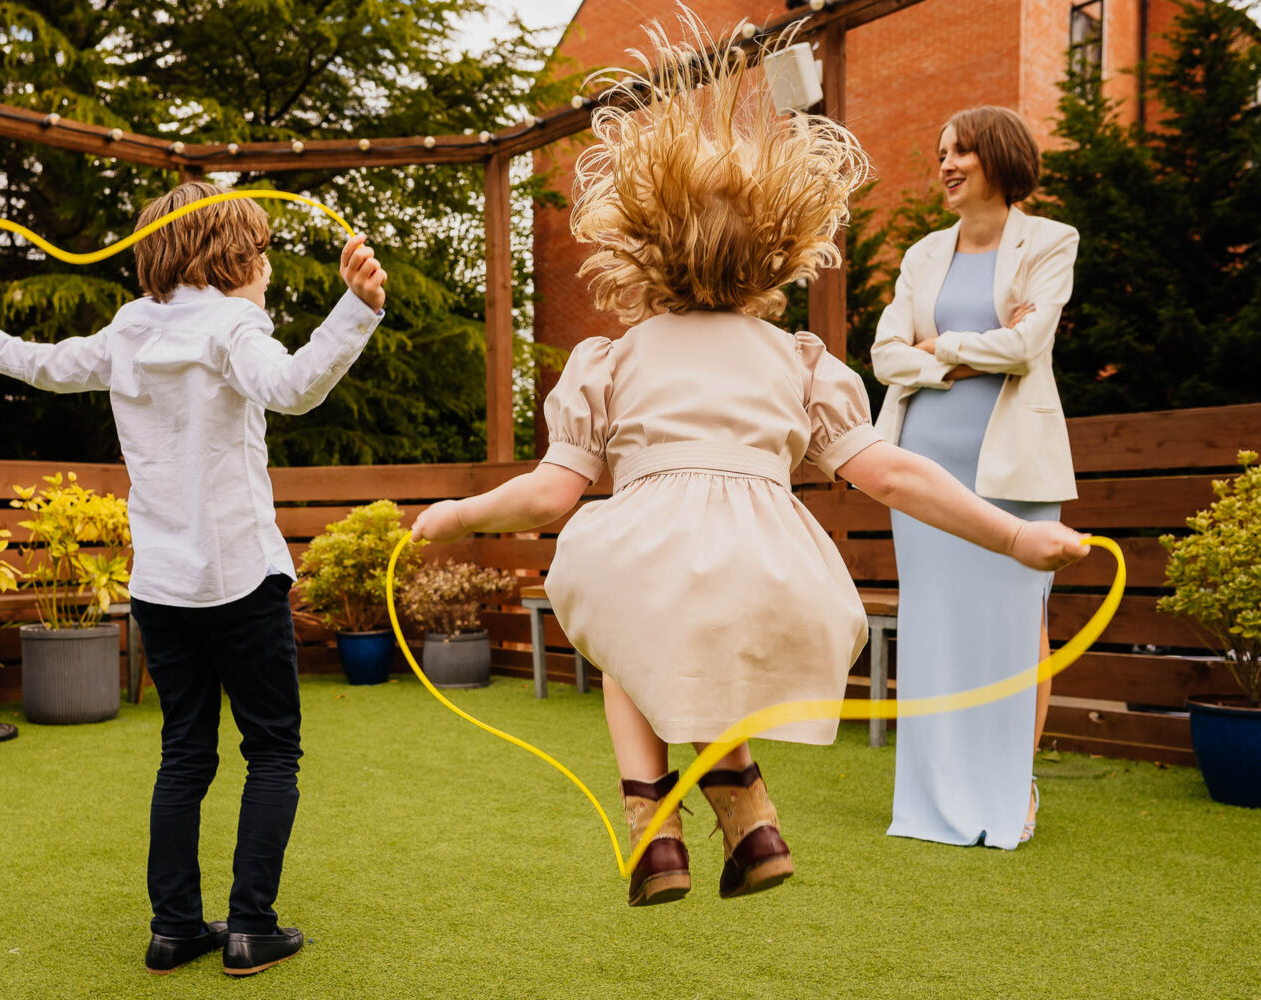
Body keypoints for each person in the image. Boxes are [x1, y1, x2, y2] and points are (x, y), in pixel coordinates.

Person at [410, 21, 1087, 907]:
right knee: (680, 630)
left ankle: (655, 824)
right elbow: (892, 474)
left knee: (627, 624)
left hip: (649, 549)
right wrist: (1011, 537)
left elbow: (548, 494)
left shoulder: (613, 359)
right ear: (776, 249)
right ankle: (748, 818)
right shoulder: (797, 358)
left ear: (642, 246)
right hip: (776, 568)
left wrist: (450, 515)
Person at [0, 180, 388, 975]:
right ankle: (251, 929)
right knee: (273, 752)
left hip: (161, 589)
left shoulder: (128, 330)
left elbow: (46, 367)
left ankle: (175, 929)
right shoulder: (232, 325)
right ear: (231, 258)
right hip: (242, 580)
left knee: (185, 751)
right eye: (259, 253)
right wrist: (355, 307)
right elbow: (293, 389)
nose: (266, 270)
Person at [871, 105, 1080, 849]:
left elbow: (1027, 345)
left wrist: (945, 344)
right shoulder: (924, 255)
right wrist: (958, 354)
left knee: (1022, 627)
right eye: (940, 151)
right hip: (924, 461)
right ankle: (934, 796)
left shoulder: (1052, 240)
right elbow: (885, 353)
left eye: (961, 150)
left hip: (1013, 468)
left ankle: (1010, 785)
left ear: (999, 156)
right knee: (934, 626)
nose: (947, 163)